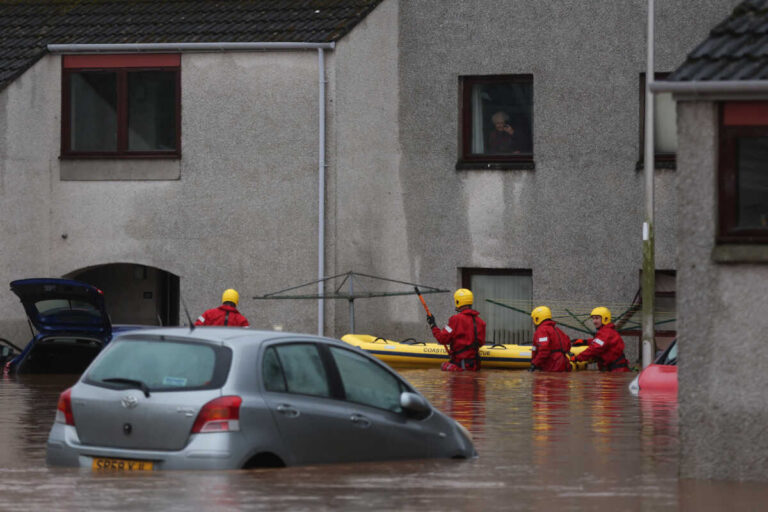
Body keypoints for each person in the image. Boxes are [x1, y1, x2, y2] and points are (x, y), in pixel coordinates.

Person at [428, 288, 486, 372]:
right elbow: (481, 343)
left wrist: (433, 326)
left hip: (460, 365)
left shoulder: (455, 319)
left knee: (444, 367)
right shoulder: (481, 322)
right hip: (475, 365)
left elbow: (442, 339)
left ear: (458, 301)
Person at [572, 307, 630, 372]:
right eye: (593, 318)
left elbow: (594, 349)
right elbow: (599, 342)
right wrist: (585, 342)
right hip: (617, 370)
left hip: (616, 371)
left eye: (597, 318)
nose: (594, 321)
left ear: (605, 319)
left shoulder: (605, 333)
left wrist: (577, 358)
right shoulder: (608, 331)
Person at [529, 306, 572, 372]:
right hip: (564, 365)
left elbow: (544, 351)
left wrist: (534, 364)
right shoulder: (557, 330)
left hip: (552, 366)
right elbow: (568, 345)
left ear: (537, 318)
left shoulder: (542, 330)